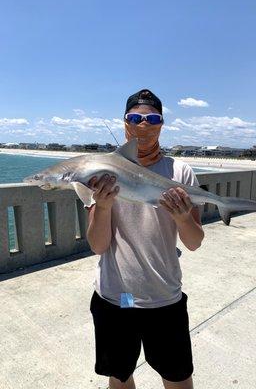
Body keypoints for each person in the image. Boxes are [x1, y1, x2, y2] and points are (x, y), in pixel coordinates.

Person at [85, 89, 205, 389]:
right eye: (135, 118)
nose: (143, 125)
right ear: (125, 122)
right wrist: (102, 206)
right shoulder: (102, 172)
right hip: (117, 299)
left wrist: (180, 217)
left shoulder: (180, 172)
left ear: (161, 124)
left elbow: (194, 242)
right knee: (120, 376)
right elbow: (98, 246)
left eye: (152, 118)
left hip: (164, 298)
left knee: (178, 378)